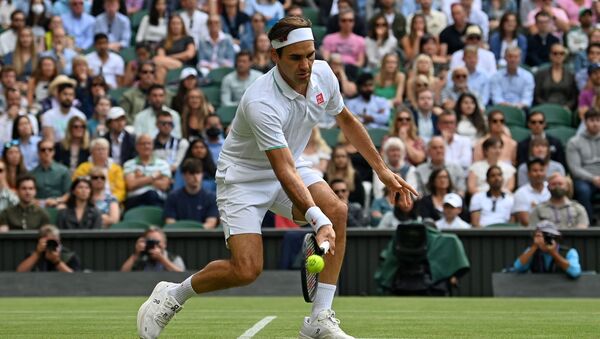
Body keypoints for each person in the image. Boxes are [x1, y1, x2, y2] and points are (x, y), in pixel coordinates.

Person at [136, 16, 417, 339]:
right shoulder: (260, 101)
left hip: (291, 165)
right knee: (246, 270)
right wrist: (316, 220)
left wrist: (381, 170)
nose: (306, 65)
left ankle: (319, 319)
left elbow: (347, 121)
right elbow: (281, 169)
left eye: (310, 55)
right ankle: (171, 294)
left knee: (338, 211)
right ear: (275, 56)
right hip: (243, 179)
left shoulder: (323, 74)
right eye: (295, 57)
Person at [513, 220, 581, 279]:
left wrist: (553, 253)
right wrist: (534, 246)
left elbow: (575, 272)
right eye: (539, 236)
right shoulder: (531, 250)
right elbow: (518, 267)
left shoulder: (570, 252)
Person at [164, 158, 218, 228]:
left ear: (202, 175)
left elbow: (211, 223)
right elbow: (170, 223)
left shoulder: (211, 197)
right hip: (179, 237)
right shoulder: (173, 197)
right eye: (192, 173)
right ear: (184, 175)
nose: (195, 177)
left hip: (203, 237)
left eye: (198, 173)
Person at [566, 108, 600, 220]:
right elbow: (575, 169)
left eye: (598, 120)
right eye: (592, 120)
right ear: (585, 122)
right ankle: (588, 224)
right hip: (584, 179)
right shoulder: (574, 142)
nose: (595, 124)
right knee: (583, 190)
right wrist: (593, 178)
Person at [123, 134, 171, 210]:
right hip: (135, 199)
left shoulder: (163, 164)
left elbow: (164, 186)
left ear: (153, 146)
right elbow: (131, 185)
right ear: (137, 147)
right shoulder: (129, 164)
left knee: (152, 194)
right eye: (143, 144)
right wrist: (153, 177)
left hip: (158, 199)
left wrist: (142, 178)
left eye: (149, 143)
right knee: (150, 194)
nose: (146, 146)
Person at [72, 137, 126, 203]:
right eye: (98, 149)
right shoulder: (83, 168)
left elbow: (120, 190)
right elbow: (76, 186)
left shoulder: (116, 169)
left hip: (111, 202)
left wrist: (111, 201)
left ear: (108, 151)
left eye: (104, 149)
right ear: (91, 152)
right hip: (88, 201)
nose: (101, 152)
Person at [16, 224, 81, 272]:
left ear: (59, 240)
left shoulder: (69, 256)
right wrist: (37, 253)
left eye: (54, 241)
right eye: (48, 241)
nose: (51, 244)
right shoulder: (34, 255)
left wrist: (57, 261)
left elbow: (75, 278)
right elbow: (20, 272)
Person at [121, 226, 186, 272]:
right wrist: (136, 254)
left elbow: (182, 277)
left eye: (157, 242)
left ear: (164, 244)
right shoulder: (141, 258)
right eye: (150, 242)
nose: (154, 246)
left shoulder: (174, 258)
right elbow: (123, 274)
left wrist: (162, 259)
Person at [534, 43, 577, 110]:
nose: (558, 56)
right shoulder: (541, 74)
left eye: (561, 53)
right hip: (544, 108)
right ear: (550, 55)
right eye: (555, 53)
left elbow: (573, 97)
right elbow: (536, 95)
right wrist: (545, 106)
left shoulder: (570, 75)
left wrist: (567, 107)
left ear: (565, 56)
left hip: (564, 109)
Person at [31, 139, 71, 208]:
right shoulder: (32, 173)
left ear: (54, 152)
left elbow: (68, 193)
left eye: (50, 149)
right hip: (39, 206)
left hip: (59, 204)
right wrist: (39, 202)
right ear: (38, 153)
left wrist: (57, 201)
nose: (47, 152)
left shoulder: (63, 171)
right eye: (43, 150)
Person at [512, 158, 551, 226]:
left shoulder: (551, 188)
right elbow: (525, 221)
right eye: (535, 171)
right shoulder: (521, 193)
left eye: (541, 170)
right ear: (528, 174)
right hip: (531, 232)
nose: (538, 173)